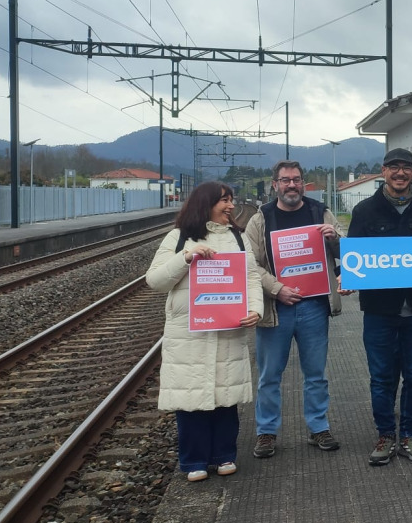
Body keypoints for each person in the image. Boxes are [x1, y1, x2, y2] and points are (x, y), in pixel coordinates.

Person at [146, 181, 263, 482]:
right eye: (224, 200)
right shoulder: (178, 237)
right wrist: (185, 257)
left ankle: (225, 455)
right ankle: (193, 460)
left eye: (231, 200)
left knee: (226, 397)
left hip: (227, 330)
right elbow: (155, 281)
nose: (231, 206)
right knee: (190, 399)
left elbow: (251, 277)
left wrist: (255, 309)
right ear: (205, 203)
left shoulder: (238, 238)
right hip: (189, 335)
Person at [348, 148, 412, 465]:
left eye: (406, 168)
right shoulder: (365, 211)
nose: (400, 173)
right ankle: (385, 435)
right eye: (394, 167)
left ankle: (409, 433)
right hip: (380, 310)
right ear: (383, 171)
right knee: (380, 377)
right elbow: (353, 258)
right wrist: (349, 276)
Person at [244, 161, 344, 459]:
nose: (291, 185)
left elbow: (346, 252)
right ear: (274, 184)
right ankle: (266, 432)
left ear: (304, 183)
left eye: (297, 180)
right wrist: (277, 288)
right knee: (269, 375)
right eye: (285, 180)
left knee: (316, 374)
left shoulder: (320, 212)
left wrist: (334, 238)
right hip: (277, 308)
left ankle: (318, 427)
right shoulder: (260, 219)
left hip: (314, 306)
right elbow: (250, 265)